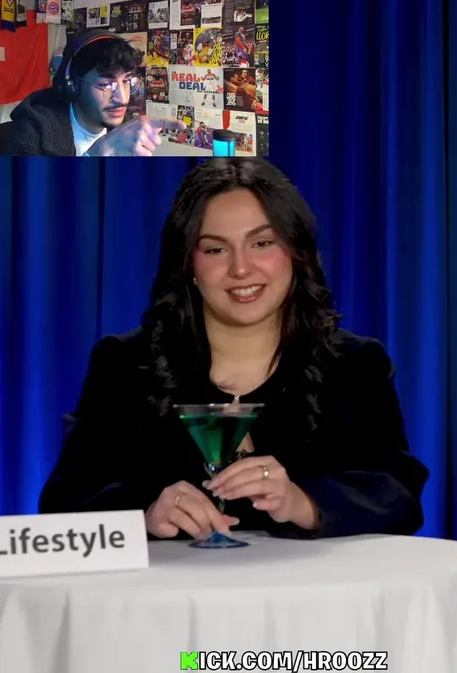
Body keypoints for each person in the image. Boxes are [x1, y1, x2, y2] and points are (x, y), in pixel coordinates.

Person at [39, 158, 429, 540]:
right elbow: (63, 505)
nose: (241, 269)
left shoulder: (356, 364)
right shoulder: (125, 364)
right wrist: (144, 515)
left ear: (295, 252)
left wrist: (304, 503)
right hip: (171, 584)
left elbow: (398, 494)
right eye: (215, 249)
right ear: (189, 263)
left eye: (262, 243)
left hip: (313, 584)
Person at [3, 29, 183, 156]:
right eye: (106, 84)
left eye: (127, 81)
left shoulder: (125, 128)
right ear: (73, 84)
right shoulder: (32, 132)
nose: (122, 99)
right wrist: (97, 154)